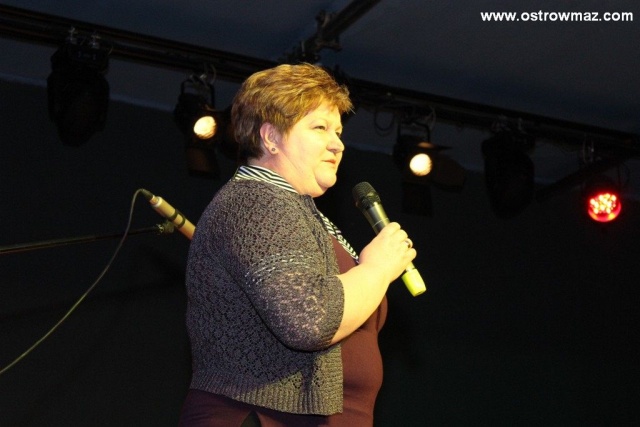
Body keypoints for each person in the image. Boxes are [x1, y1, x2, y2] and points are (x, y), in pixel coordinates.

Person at [179, 63, 417, 426]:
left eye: (338, 131)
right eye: (320, 128)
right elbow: (310, 320)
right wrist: (378, 268)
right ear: (271, 137)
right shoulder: (255, 202)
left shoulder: (299, 213)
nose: (337, 143)